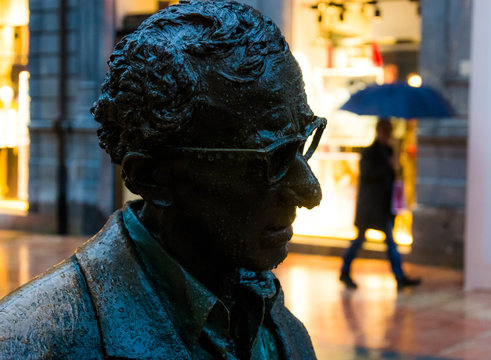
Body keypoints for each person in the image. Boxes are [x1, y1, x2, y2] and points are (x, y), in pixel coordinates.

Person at [0, 2, 325, 359]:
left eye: (303, 144)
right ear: (154, 178)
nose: (310, 193)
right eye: (272, 159)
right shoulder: (29, 343)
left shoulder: (274, 323)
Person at [339, 119, 421, 290]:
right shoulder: (370, 152)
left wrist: (396, 167)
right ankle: (345, 271)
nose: (387, 134)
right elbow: (368, 175)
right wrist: (388, 166)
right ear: (378, 131)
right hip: (370, 207)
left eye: (389, 131)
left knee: (390, 242)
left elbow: (392, 178)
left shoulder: (389, 151)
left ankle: (399, 276)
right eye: (385, 131)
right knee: (361, 239)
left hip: (383, 207)